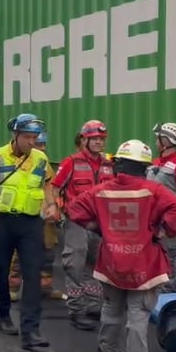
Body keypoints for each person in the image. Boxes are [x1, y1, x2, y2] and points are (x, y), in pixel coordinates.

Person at [67, 139, 176, 352]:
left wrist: (99, 228)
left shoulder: (101, 191)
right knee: (138, 313)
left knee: (111, 308)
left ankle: (106, 347)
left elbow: (74, 210)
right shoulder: (154, 191)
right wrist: (163, 231)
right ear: (144, 167)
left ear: (119, 165)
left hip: (112, 262)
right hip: (144, 264)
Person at [0, 113, 58, 349]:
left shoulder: (40, 158)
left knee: (33, 274)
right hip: (1, 222)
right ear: (16, 135)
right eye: (27, 137)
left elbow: (48, 182)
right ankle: (3, 314)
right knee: (1, 269)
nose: (32, 141)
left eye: (34, 137)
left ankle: (31, 330)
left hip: (30, 223)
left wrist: (51, 205)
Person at [51, 120, 114, 330]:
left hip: (99, 224)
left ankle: (94, 306)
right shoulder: (71, 162)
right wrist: (56, 207)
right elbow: (55, 186)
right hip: (77, 221)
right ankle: (77, 310)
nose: (98, 142)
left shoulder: (108, 165)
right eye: (94, 138)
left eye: (101, 139)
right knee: (74, 264)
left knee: (97, 266)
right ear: (84, 139)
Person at [8, 131, 63, 301]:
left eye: (43, 145)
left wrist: (55, 208)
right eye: (39, 145)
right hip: (27, 216)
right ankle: (13, 287)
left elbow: (54, 188)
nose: (42, 148)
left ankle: (44, 287)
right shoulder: (22, 166)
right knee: (19, 255)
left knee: (47, 254)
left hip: (46, 218)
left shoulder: (45, 165)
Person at [148, 122, 176, 291]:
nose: (156, 141)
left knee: (167, 255)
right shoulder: (155, 161)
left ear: (165, 140)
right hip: (149, 219)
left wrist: (164, 203)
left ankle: (166, 297)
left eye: (158, 137)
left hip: (166, 220)